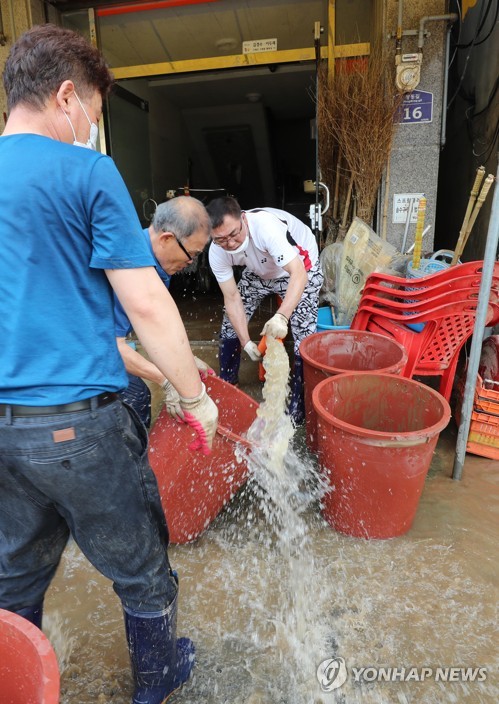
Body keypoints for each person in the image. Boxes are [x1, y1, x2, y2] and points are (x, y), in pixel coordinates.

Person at [0, 24, 217, 704]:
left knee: (12, 578)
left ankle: (19, 684)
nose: (91, 128)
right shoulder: (86, 172)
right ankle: (156, 684)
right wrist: (193, 394)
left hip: (4, 433)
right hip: (81, 428)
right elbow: (147, 302)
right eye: (93, 113)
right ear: (67, 96)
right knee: (143, 573)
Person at [206, 196, 324, 424]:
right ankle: (228, 384)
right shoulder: (217, 251)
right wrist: (245, 342)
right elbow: (231, 298)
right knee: (229, 323)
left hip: (299, 266)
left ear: (243, 218)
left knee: (303, 332)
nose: (230, 243)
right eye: (221, 239)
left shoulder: (266, 228)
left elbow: (298, 274)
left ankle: (298, 402)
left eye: (234, 234)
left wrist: (282, 316)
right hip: (260, 271)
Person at [115, 196, 214, 427]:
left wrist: (185, 360)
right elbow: (110, 346)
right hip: (66, 356)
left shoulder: (157, 265)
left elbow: (155, 327)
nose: (191, 262)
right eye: (193, 254)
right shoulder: (129, 266)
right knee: (134, 396)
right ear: (166, 238)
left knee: (138, 394)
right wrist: (166, 380)